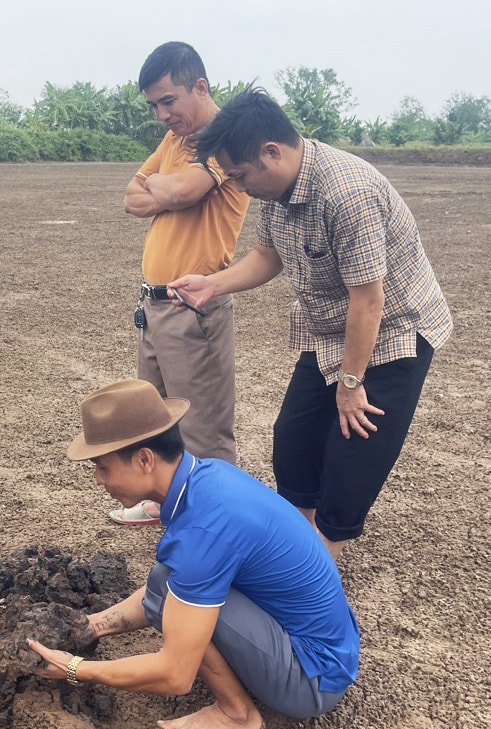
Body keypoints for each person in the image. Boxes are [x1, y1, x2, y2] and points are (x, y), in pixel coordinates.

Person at [170, 88, 453, 559]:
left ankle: (320, 571)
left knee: (352, 449)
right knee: (293, 439)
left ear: (272, 152)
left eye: (239, 176)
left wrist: (350, 383)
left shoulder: (347, 192)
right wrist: (213, 285)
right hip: (332, 329)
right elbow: (268, 253)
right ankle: (300, 550)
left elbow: (369, 301)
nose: (237, 187)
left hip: (394, 330)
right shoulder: (273, 188)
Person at [28, 379, 359, 729]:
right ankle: (239, 691)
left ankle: (237, 715)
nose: (99, 480)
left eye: (103, 468)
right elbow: (168, 583)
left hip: (312, 680)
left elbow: (175, 675)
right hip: (324, 647)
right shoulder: (207, 477)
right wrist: (90, 627)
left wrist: (76, 669)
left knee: (172, 592)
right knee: (167, 580)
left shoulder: (205, 528)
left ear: (144, 460)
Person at [112, 41, 250, 527]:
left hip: (195, 305)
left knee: (204, 429)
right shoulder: (176, 141)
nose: (161, 114)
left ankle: (217, 525)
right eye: (153, 105)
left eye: (168, 100)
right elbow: (132, 198)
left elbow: (188, 189)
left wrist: (165, 188)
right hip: (154, 306)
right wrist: (167, 191)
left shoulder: (226, 138)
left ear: (201, 86)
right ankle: (163, 504)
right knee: (159, 419)